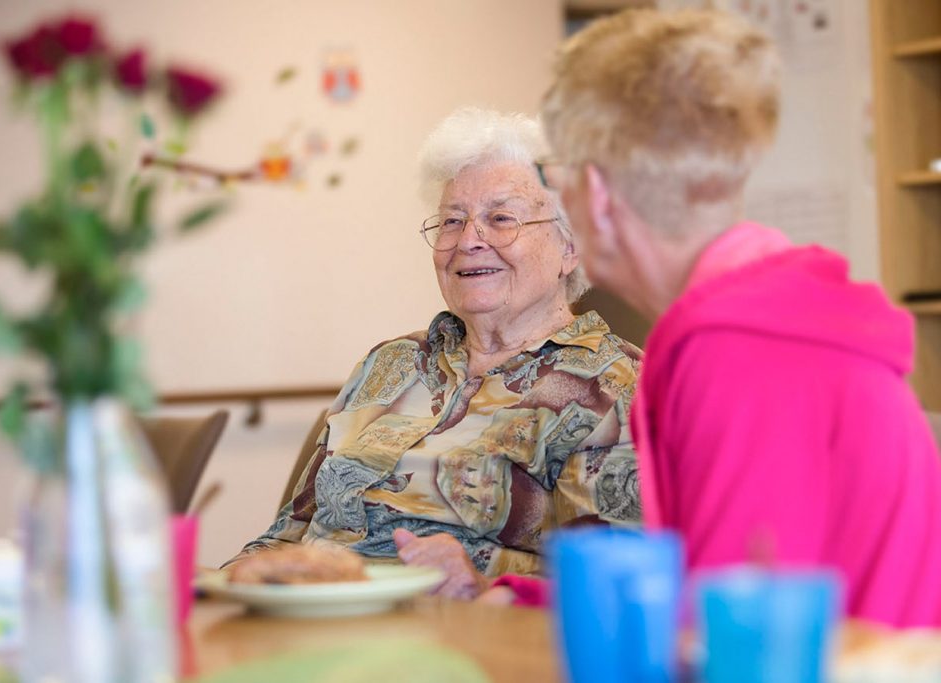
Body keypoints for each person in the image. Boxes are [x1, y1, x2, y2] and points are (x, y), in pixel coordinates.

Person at [493, 8, 941, 626]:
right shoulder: (760, 316)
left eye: (552, 177)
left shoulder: (737, 352)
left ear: (594, 194)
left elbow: (739, 634)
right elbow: (715, 586)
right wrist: (521, 598)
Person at [227, 107, 642, 599]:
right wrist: (227, 580)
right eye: (451, 220)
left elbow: (606, 584)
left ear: (570, 248)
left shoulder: (611, 385)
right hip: (313, 625)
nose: (468, 241)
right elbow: (291, 532)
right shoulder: (392, 362)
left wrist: (478, 579)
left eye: (500, 219)